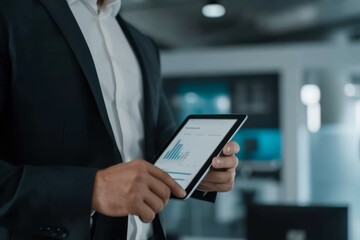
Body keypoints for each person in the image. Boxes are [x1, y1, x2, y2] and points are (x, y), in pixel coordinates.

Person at [0, 0, 240, 239]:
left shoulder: (143, 45)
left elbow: (161, 146)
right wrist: (90, 190)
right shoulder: (10, 17)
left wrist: (201, 172)